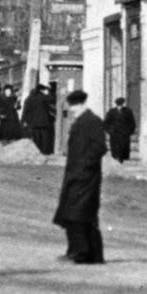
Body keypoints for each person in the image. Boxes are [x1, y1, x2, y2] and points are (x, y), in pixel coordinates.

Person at [53, 90, 106, 264]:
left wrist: (85, 166)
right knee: (76, 213)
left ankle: (82, 253)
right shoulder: (81, 122)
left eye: (74, 106)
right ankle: (86, 253)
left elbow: (99, 147)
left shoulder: (92, 121)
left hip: (86, 177)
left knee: (79, 214)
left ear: (82, 105)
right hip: (76, 174)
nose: (72, 110)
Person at [22, 83, 55, 155]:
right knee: (44, 139)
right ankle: (44, 152)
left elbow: (25, 111)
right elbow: (52, 99)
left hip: (33, 123)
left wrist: (24, 121)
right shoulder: (42, 96)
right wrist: (49, 90)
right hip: (44, 123)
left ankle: (37, 153)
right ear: (41, 90)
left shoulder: (28, 99)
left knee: (36, 139)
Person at [104, 98, 136, 163]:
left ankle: (121, 160)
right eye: (119, 105)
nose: (120, 106)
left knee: (123, 150)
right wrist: (110, 131)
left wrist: (129, 132)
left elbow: (132, 123)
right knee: (115, 151)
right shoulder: (111, 112)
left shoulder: (128, 111)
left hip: (124, 135)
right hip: (115, 135)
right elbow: (106, 123)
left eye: (121, 104)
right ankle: (117, 160)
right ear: (116, 105)